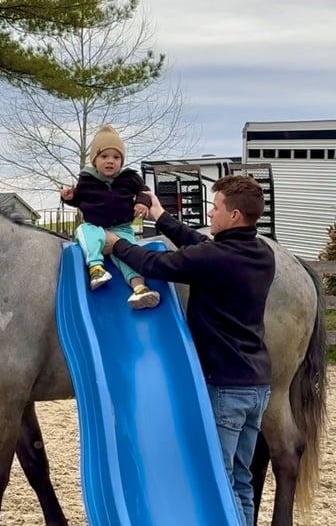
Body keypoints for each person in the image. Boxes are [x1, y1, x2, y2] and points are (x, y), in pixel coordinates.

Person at [103, 174, 274, 526]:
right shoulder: (262, 253)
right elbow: (200, 246)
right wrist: (161, 216)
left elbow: (157, 265)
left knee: (218, 479)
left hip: (225, 386)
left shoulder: (216, 258)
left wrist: (116, 245)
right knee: (242, 478)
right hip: (257, 385)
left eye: (216, 207)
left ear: (234, 215)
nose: (210, 213)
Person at [60, 124, 160, 309]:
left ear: (121, 161)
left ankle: (140, 289)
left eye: (116, 157)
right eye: (104, 156)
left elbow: (144, 191)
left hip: (122, 228)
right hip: (95, 226)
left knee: (130, 257)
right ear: (94, 160)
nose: (110, 161)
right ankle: (96, 268)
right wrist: (69, 197)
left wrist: (142, 202)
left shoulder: (129, 178)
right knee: (84, 231)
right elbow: (78, 199)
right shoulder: (87, 180)